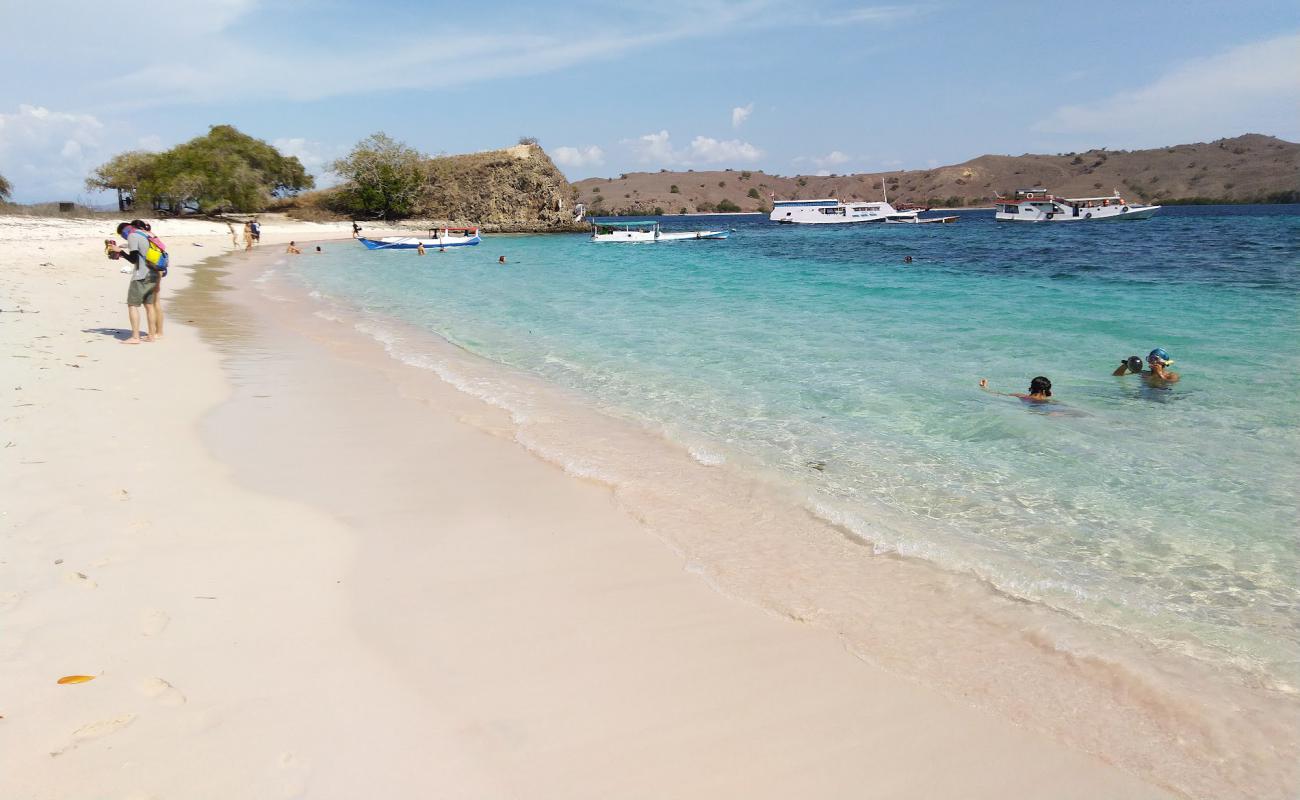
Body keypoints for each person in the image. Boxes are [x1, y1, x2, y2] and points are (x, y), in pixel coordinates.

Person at [115, 222, 160, 344]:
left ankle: (135, 337)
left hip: (141, 275)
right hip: (154, 273)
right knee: (149, 305)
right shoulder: (145, 234)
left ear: (124, 231)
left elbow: (134, 259)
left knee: (132, 304)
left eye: (122, 235)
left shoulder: (132, 236)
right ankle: (151, 336)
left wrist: (120, 252)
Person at [1113, 348, 1180, 384]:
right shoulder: (1144, 374)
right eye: (1150, 358)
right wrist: (1126, 365)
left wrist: (1160, 374)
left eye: (1155, 359)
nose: (1152, 361)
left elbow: (1171, 383)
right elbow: (1116, 375)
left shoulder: (1171, 375)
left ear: (1163, 362)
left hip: (1161, 401)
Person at [979, 376, 1053, 403]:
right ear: (1044, 390)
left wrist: (984, 388)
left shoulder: (1022, 396)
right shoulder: (1050, 402)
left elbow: (998, 394)